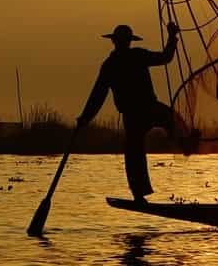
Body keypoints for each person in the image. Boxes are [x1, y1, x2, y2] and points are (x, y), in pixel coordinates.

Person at [77, 23, 184, 201]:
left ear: (115, 41)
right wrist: (85, 118)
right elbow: (98, 95)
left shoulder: (118, 62)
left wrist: (172, 38)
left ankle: (139, 194)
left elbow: (98, 95)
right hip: (141, 111)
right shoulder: (123, 61)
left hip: (143, 109)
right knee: (138, 148)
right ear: (122, 42)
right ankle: (140, 193)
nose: (122, 43)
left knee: (137, 149)